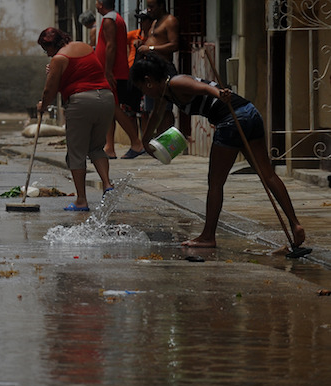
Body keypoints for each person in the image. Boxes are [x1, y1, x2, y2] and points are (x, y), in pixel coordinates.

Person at [130, 51, 306, 250]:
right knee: (268, 175)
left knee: (215, 182)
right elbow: (155, 116)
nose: (144, 93)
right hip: (249, 112)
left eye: (141, 88)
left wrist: (220, 94)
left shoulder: (177, 83)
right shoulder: (166, 94)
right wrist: (145, 142)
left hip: (231, 119)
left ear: (149, 81)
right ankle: (295, 224)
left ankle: (208, 236)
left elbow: (204, 88)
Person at [37, 27, 115, 210]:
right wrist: (56, 70)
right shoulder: (84, 46)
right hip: (105, 98)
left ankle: (81, 200)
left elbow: (50, 90)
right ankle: (107, 184)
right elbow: (81, 70)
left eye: (46, 49)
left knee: (76, 153)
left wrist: (43, 106)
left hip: (81, 102)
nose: (47, 54)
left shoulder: (58, 59)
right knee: (96, 147)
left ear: (51, 46)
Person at [94, 0, 146, 159]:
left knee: (113, 108)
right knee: (109, 108)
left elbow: (111, 46)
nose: (96, 4)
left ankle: (136, 143)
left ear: (101, 4)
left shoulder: (110, 20)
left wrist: (108, 70)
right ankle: (109, 147)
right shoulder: (116, 18)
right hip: (114, 70)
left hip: (113, 72)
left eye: (96, 2)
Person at [141, 0, 181, 134]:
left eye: (152, 6)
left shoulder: (170, 21)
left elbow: (174, 45)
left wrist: (150, 48)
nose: (149, 10)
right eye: (148, 6)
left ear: (161, 6)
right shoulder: (154, 22)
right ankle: (157, 137)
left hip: (163, 69)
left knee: (166, 108)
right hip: (151, 69)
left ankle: (168, 137)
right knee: (153, 108)